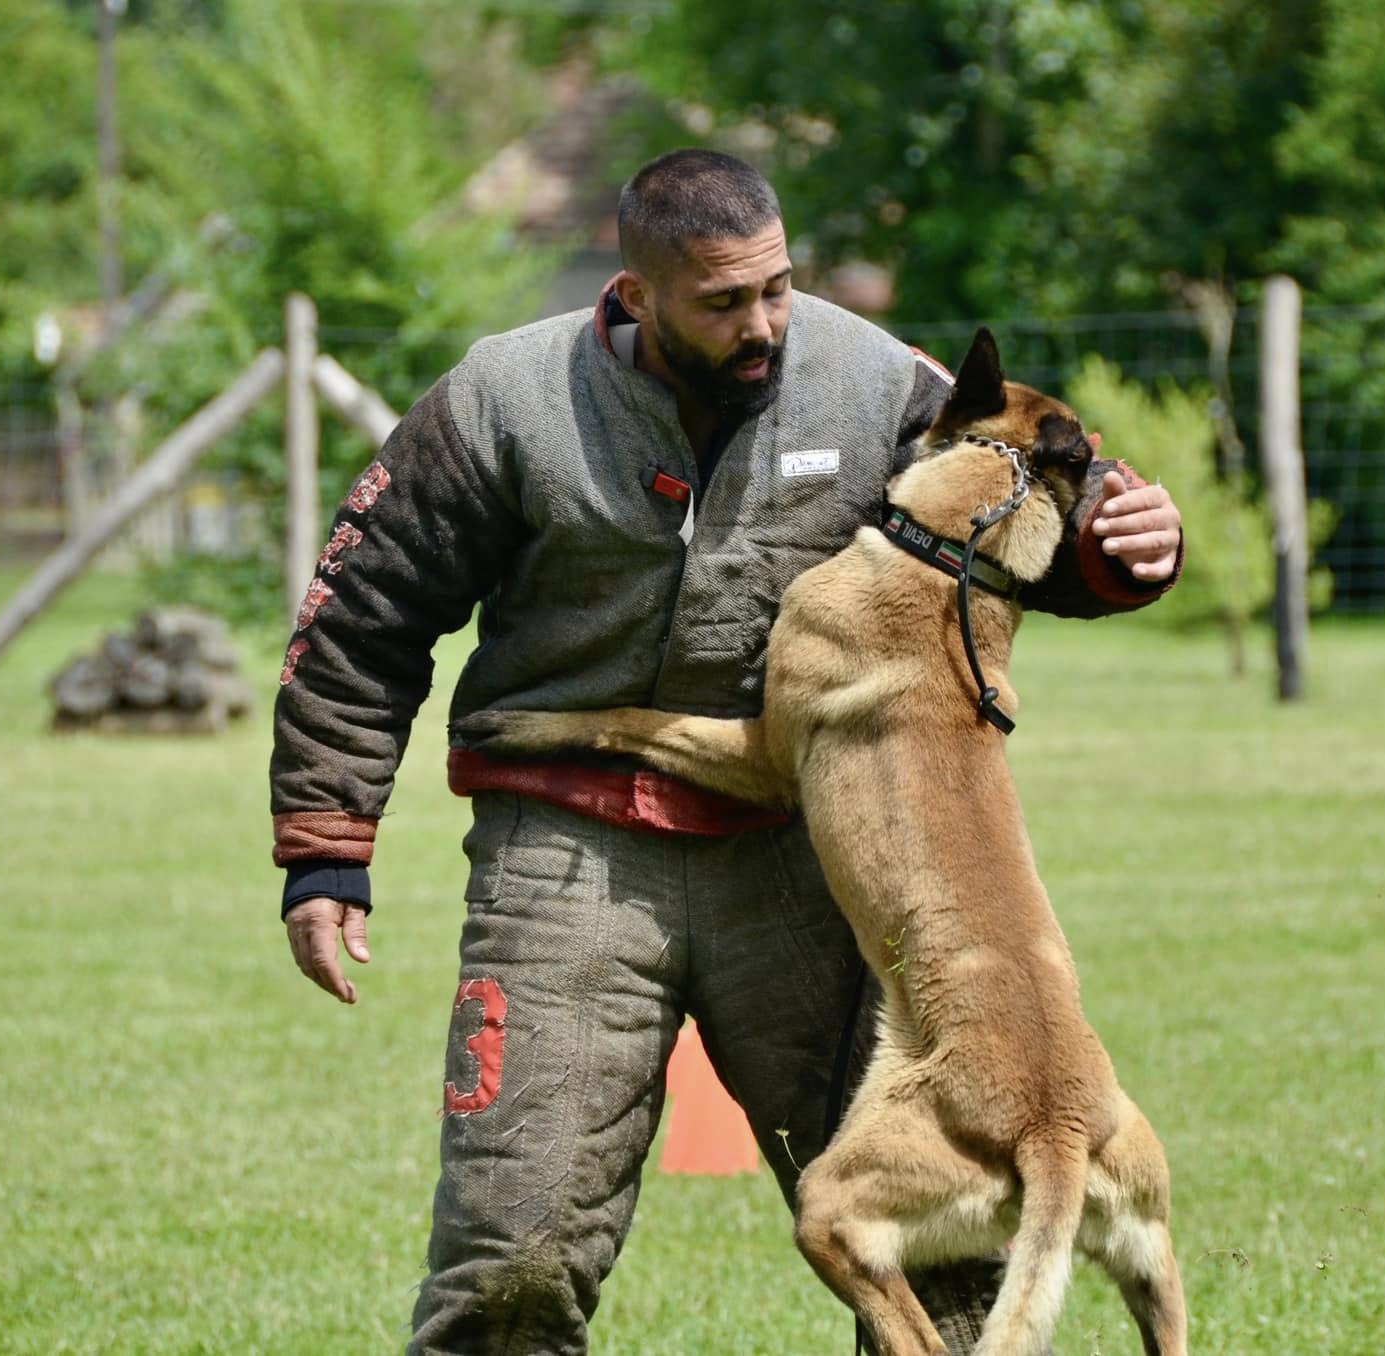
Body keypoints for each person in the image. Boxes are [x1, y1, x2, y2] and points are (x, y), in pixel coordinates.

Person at [272, 148, 1184, 1355]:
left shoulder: (870, 377)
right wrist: (326, 843)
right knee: (512, 1265)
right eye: (722, 302)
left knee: (953, 1277)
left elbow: (1024, 486)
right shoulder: (505, 399)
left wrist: (1122, 540)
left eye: (777, 288)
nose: (763, 324)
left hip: (804, 855)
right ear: (636, 294)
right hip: (568, 849)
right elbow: (363, 612)